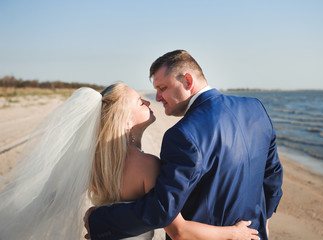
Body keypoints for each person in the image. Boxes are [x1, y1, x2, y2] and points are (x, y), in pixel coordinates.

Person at [0, 83, 259, 239]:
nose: (149, 101)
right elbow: (179, 231)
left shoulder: (89, 161)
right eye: (139, 101)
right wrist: (233, 233)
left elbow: (51, 200)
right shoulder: (148, 166)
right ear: (125, 119)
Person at [86, 50, 283, 240]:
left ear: (188, 81)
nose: (157, 98)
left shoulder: (182, 134)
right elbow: (272, 175)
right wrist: (263, 220)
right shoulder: (256, 108)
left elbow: (163, 210)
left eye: (162, 88)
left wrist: (99, 220)